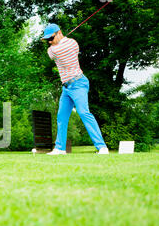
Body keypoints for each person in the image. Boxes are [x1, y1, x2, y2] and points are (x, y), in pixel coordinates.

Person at [42, 23, 109, 155]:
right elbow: (63, 45)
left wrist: (56, 43)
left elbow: (54, 52)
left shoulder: (54, 50)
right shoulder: (72, 42)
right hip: (66, 87)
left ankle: (102, 147)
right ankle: (60, 148)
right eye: (47, 40)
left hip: (78, 84)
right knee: (61, 116)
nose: (49, 42)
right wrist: (58, 40)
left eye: (51, 38)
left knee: (84, 112)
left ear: (59, 33)